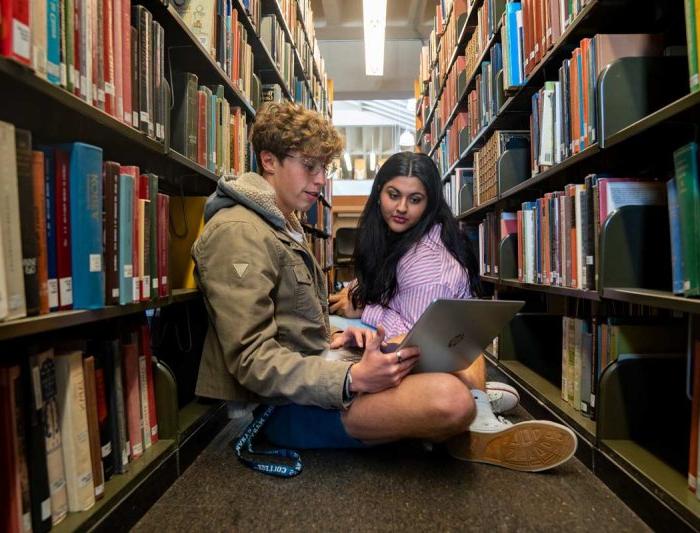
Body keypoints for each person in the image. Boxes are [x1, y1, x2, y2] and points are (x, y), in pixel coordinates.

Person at [192, 102, 576, 474]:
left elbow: (288, 323)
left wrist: (336, 336)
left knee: (454, 351)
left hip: (314, 379)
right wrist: (353, 379)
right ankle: (467, 421)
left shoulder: (281, 223)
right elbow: (250, 361)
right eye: (309, 166)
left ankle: (463, 414)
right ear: (269, 160)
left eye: (324, 168)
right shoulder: (240, 233)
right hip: (276, 408)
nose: (321, 179)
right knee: (450, 399)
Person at [328, 151, 578, 468]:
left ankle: (475, 418)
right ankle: (479, 398)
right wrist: (361, 297)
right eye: (394, 195)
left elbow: (416, 340)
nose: (401, 208)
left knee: (399, 370)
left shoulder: (428, 266)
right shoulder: (406, 238)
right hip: (451, 351)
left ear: (429, 203)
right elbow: (393, 298)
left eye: (415, 199)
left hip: (434, 356)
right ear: (379, 193)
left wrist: (365, 309)